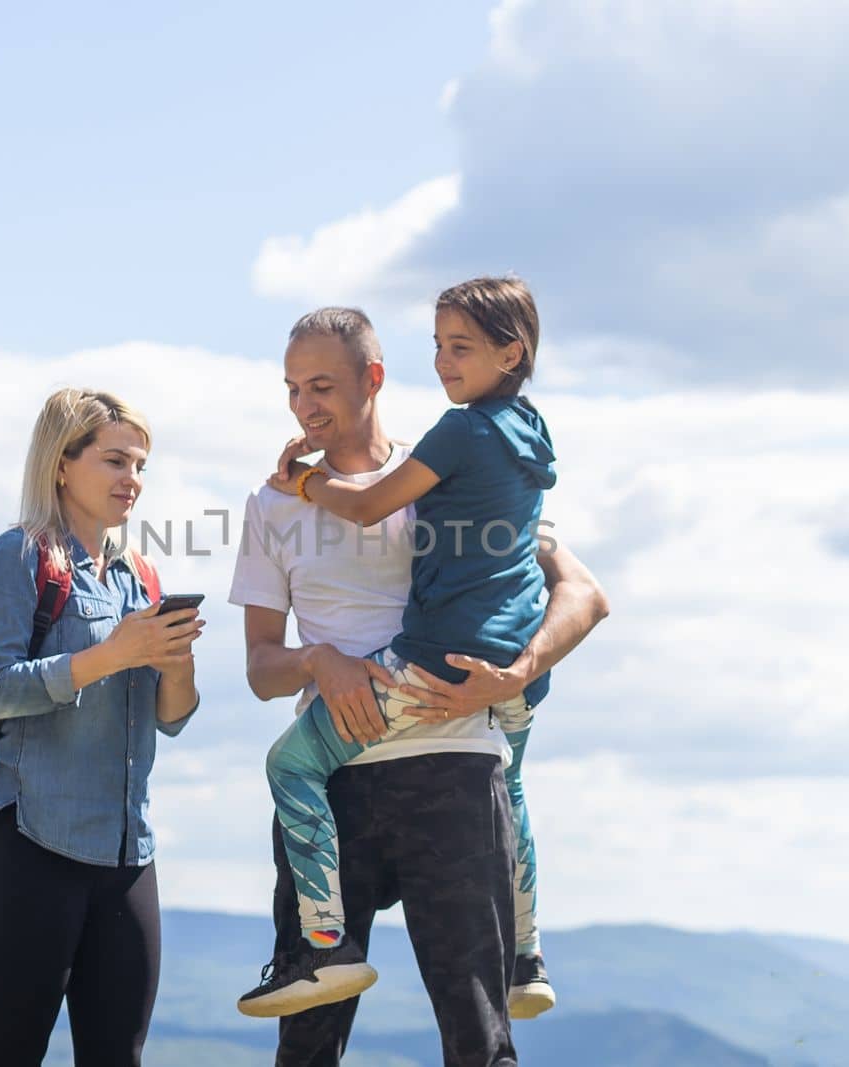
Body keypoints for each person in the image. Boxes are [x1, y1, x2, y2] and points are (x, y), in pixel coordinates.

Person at [228, 306, 609, 1065]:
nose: (305, 405)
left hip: (456, 772)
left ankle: (525, 956)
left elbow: (583, 593)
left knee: (479, 1039)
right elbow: (262, 667)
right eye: (293, 388)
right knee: (306, 1045)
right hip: (335, 790)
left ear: (372, 379)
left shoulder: (446, 472)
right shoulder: (272, 506)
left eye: (323, 385)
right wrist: (316, 659)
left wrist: (516, 672)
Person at [0, 387, 203, 1067]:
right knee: (10, 1052)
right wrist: (111, 655)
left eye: (141, 466)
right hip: (35, 842)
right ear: (62, 464)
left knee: (118, 1056)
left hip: (129, 852)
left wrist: (175, 659)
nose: (133, 480)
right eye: (117, 461)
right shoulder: (16, 557)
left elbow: (174, 716)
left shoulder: (140, 576)